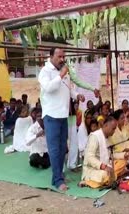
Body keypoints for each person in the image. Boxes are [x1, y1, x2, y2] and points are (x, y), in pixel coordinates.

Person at [38, 47, 96, 191]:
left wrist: (77, 96)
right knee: (54, 149)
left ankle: (58, 176)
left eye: (63, 56)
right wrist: (61, 75)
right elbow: (49, 88)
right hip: (51, 115)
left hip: (63, 115)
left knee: (63, 148)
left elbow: (68, 89)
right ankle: (58, 180)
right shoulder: (45, 72)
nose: (62, 59)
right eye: (59, 56)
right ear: (51, 56)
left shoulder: (63, 71)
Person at [81, 116, 129, 188]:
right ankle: (89, 182)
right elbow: (89, 157)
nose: (114, 131)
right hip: (92, 170)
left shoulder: (107, 138)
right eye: (113, 129)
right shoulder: (95, 136)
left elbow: (111, 155)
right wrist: (103, 166)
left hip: (106, 166)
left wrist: (126, 155)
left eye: (115, 129)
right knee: (106, 175)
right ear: (105, 125)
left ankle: (111, 176)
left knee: (123, 162)